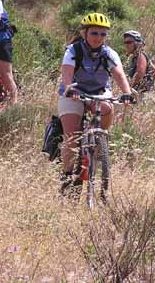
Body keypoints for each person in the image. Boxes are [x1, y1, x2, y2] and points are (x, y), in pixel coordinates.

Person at [58, 12, 132, 197]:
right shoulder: (73, 51)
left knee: (108, 107)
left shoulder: (109, 53)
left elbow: (119, 74)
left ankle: (99, 142)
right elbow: (67, 75)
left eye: (103, 34)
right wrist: (69, 88)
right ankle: (67, 177)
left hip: (98, 92)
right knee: (72, 137)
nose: (98, 38)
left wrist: (127, 93)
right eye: (94, 33)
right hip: (74, 91)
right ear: (85, 33)